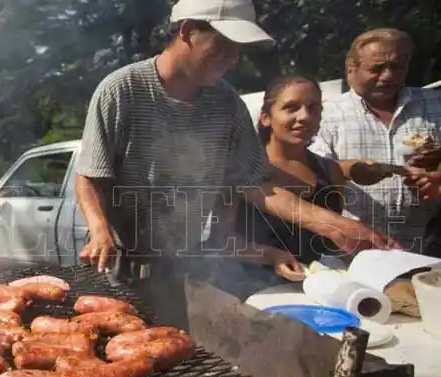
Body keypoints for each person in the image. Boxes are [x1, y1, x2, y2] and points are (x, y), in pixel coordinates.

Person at [73, 0, 395, 328]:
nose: (234, 57)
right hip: (121, 272)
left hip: (190, 270)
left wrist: (333, 224)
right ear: (187, 32)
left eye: (238, 48)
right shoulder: (122, 90)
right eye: (224, 44)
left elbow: (259, 186)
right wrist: (99, 230)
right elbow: (89, 175)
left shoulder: (227, 103)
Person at [236, 75, 402, 276]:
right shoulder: (240, 169)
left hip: (321, 287)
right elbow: (221, 241)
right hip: (251, 286)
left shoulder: (328, 171)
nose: (305, 116)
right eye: (291, 108)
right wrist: (272, 256)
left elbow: (333, 242)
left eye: (313, 108)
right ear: (266, 118)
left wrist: (370, 246)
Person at [310, 28, 441, 254]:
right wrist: (349, 169)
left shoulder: (435, 104)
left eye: (397, 66)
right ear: (351, 69)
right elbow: (310, 174)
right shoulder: (327, 114)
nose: (388, 76)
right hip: (354, 250)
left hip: (428, 247)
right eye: (376, 68)